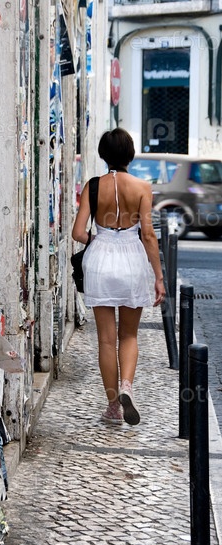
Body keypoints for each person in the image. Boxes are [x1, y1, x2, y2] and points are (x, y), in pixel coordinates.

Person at [72, 128, 165, 425]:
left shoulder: (93, 186)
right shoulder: (142, 187)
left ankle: (113, 406)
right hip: (132, 260)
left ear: (103, 154)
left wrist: (99, 240)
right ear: (130, 154)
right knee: (129, 335)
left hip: (100, 261)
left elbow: (77, 232)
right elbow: (148, 235)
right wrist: (158, 277)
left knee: (105, 340)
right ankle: (127, 386)